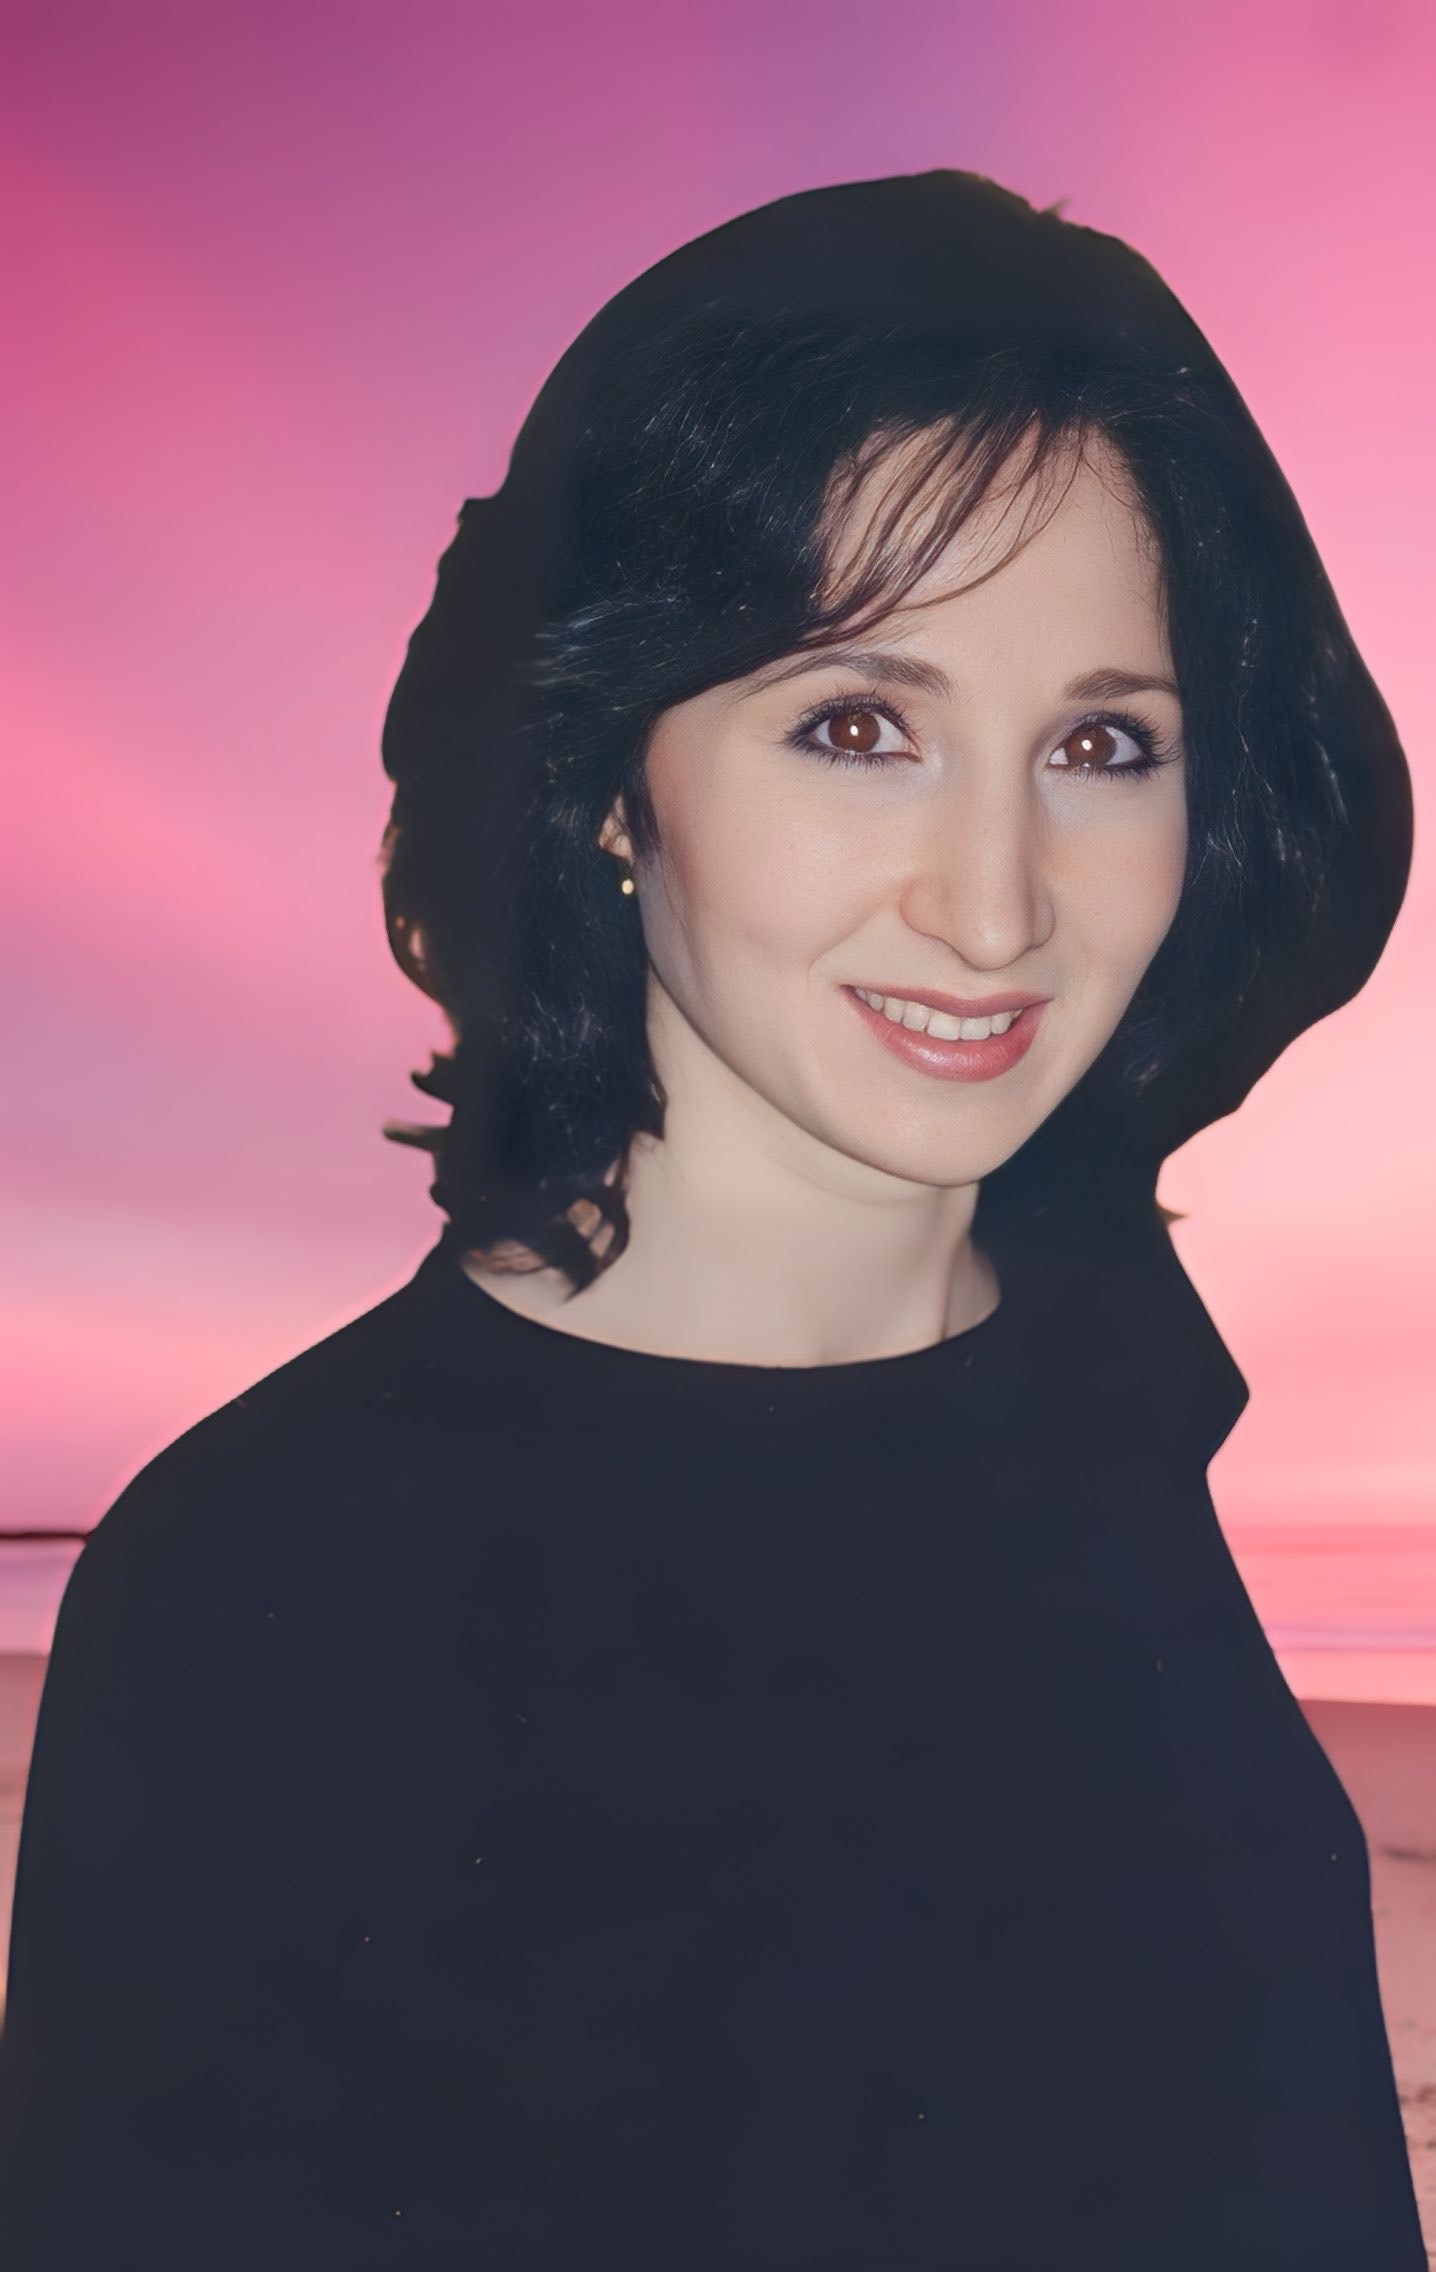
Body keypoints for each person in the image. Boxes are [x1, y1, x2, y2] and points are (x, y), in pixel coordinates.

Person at [0, 170, 1423, 2270]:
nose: (996, 905)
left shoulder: (1101, 1375)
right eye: (858, 727)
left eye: (1102, 744)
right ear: (604, 772)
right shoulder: (267, 1593)